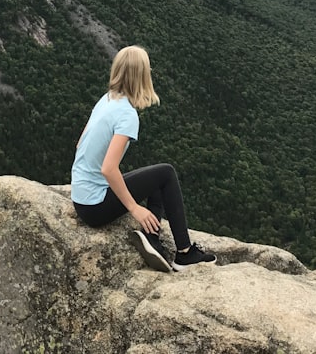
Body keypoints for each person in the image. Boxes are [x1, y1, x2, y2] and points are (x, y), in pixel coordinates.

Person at [71, 45, 216, 272]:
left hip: (80, 197)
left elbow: (80, 144)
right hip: (94, 206)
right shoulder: (127, 115)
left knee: (155, 179)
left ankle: (152, 239)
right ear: (142, 76)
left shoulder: (106, 99)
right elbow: (108, 169)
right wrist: (134, 208)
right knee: (166, 173)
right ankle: (185, 253)